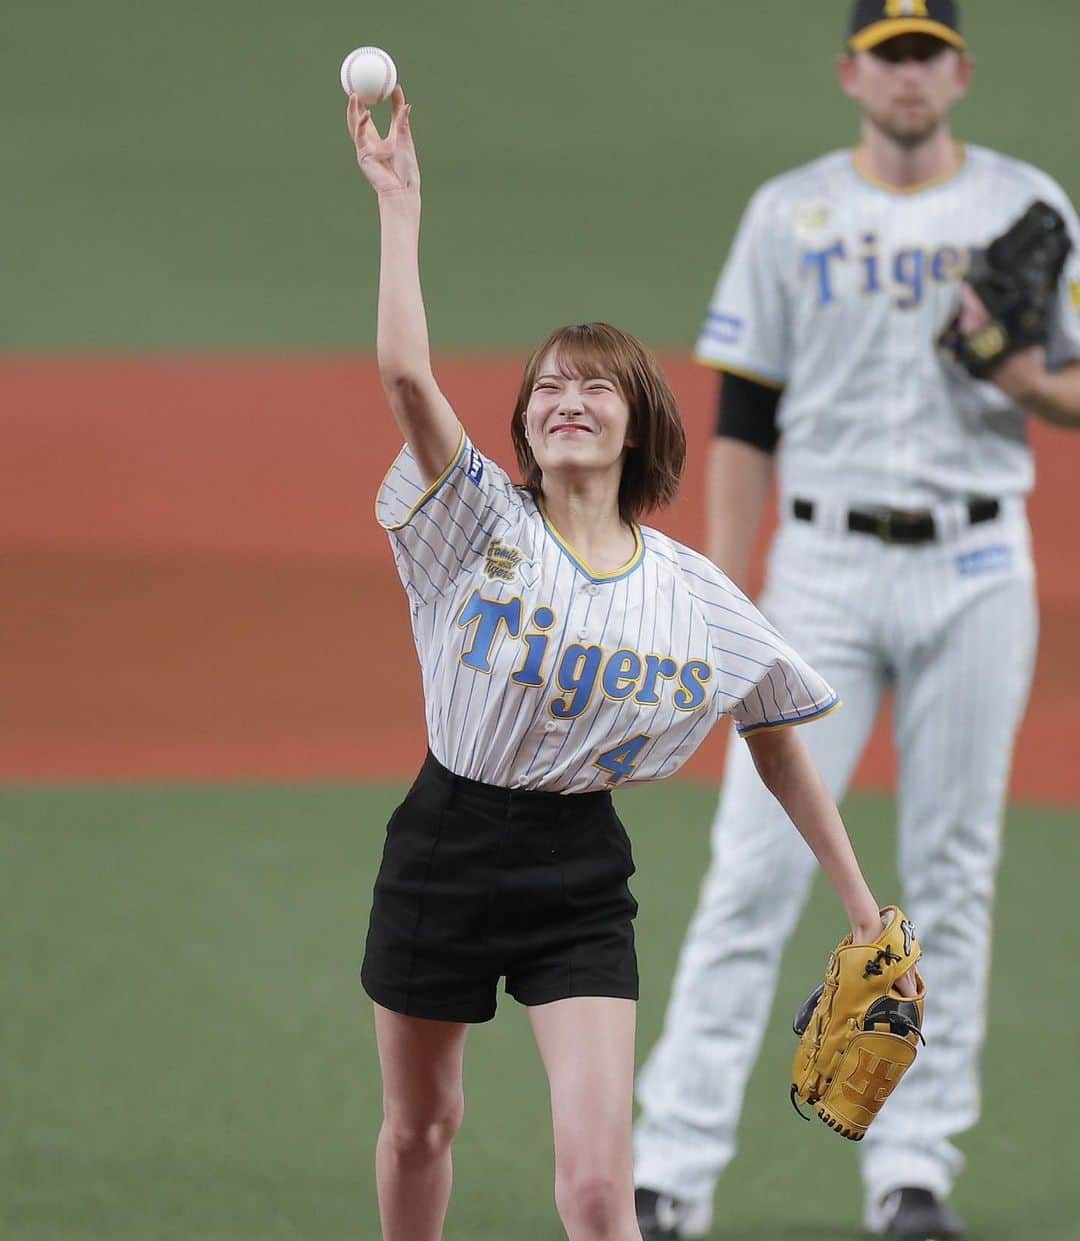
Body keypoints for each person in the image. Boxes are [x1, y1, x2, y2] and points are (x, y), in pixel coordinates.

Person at [345, 83, 916, 1241]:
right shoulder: (477, 525)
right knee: (423, 1125)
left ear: (637, 422)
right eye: (547, 386)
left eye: (593, 384)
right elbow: (409, 378)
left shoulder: (696, 593)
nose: (566, 398)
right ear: (525, 425)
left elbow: (778, 738)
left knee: (604, 1190)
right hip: (445, 844)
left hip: (578, 876)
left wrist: (865, 913)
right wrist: (398, 205)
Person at [632, 3, 1080, 1240]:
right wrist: (720, 599)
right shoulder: (789, 213)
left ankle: (913, 1174)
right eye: (888, 56)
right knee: (753, 868)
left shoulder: (1024, 202)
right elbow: (742, 415)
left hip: (979, 562)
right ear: (851, 75)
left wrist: (1022, 374)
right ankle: (668, 1171)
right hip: (817, 568)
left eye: (927, 52)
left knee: (952, 872)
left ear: (962, 72)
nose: (909, 75)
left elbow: (1072, 388)